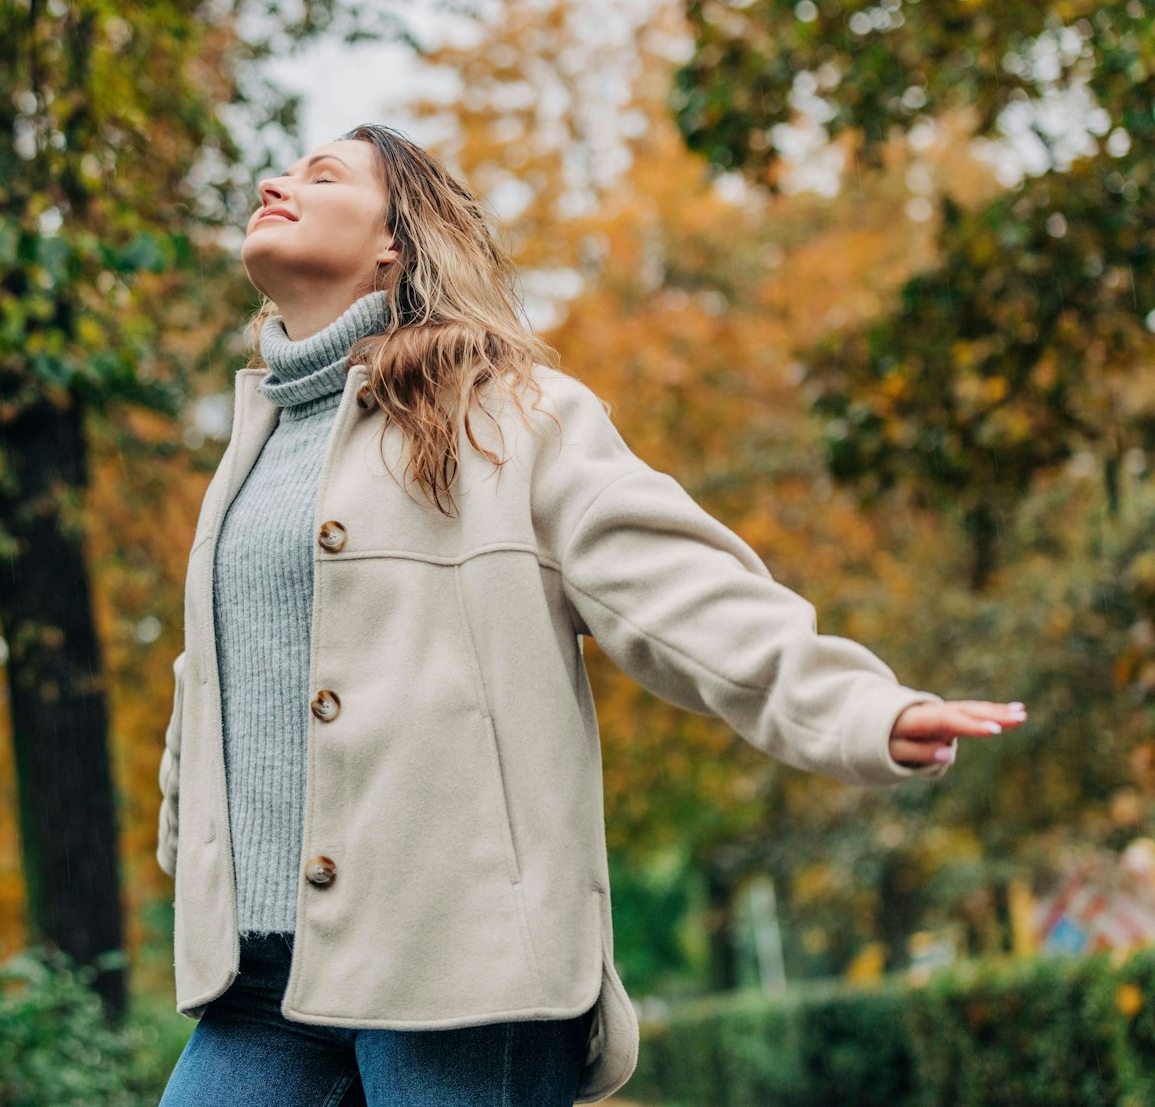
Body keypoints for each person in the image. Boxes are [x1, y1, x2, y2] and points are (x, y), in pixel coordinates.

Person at [154, 124, 1028, 1106]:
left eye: (320, 175)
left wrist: (859, 705)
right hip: (261, 975)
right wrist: (188, 844)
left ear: (394, 239)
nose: (275, 181)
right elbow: (215, 678)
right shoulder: (251, 445)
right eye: (282, 170)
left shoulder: (511, 415)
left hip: (458, 963)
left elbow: (675, 587)